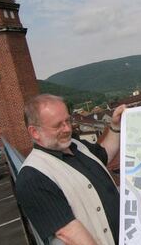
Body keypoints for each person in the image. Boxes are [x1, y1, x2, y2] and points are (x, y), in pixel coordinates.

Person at [16, 94, 125, 245]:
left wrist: (115, 126)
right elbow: (68, 233)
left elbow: (104, 154)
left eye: (67, 120)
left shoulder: (76, 145)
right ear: (35, 132)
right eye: (57, 125)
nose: (67, 129)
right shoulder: (31, 177)